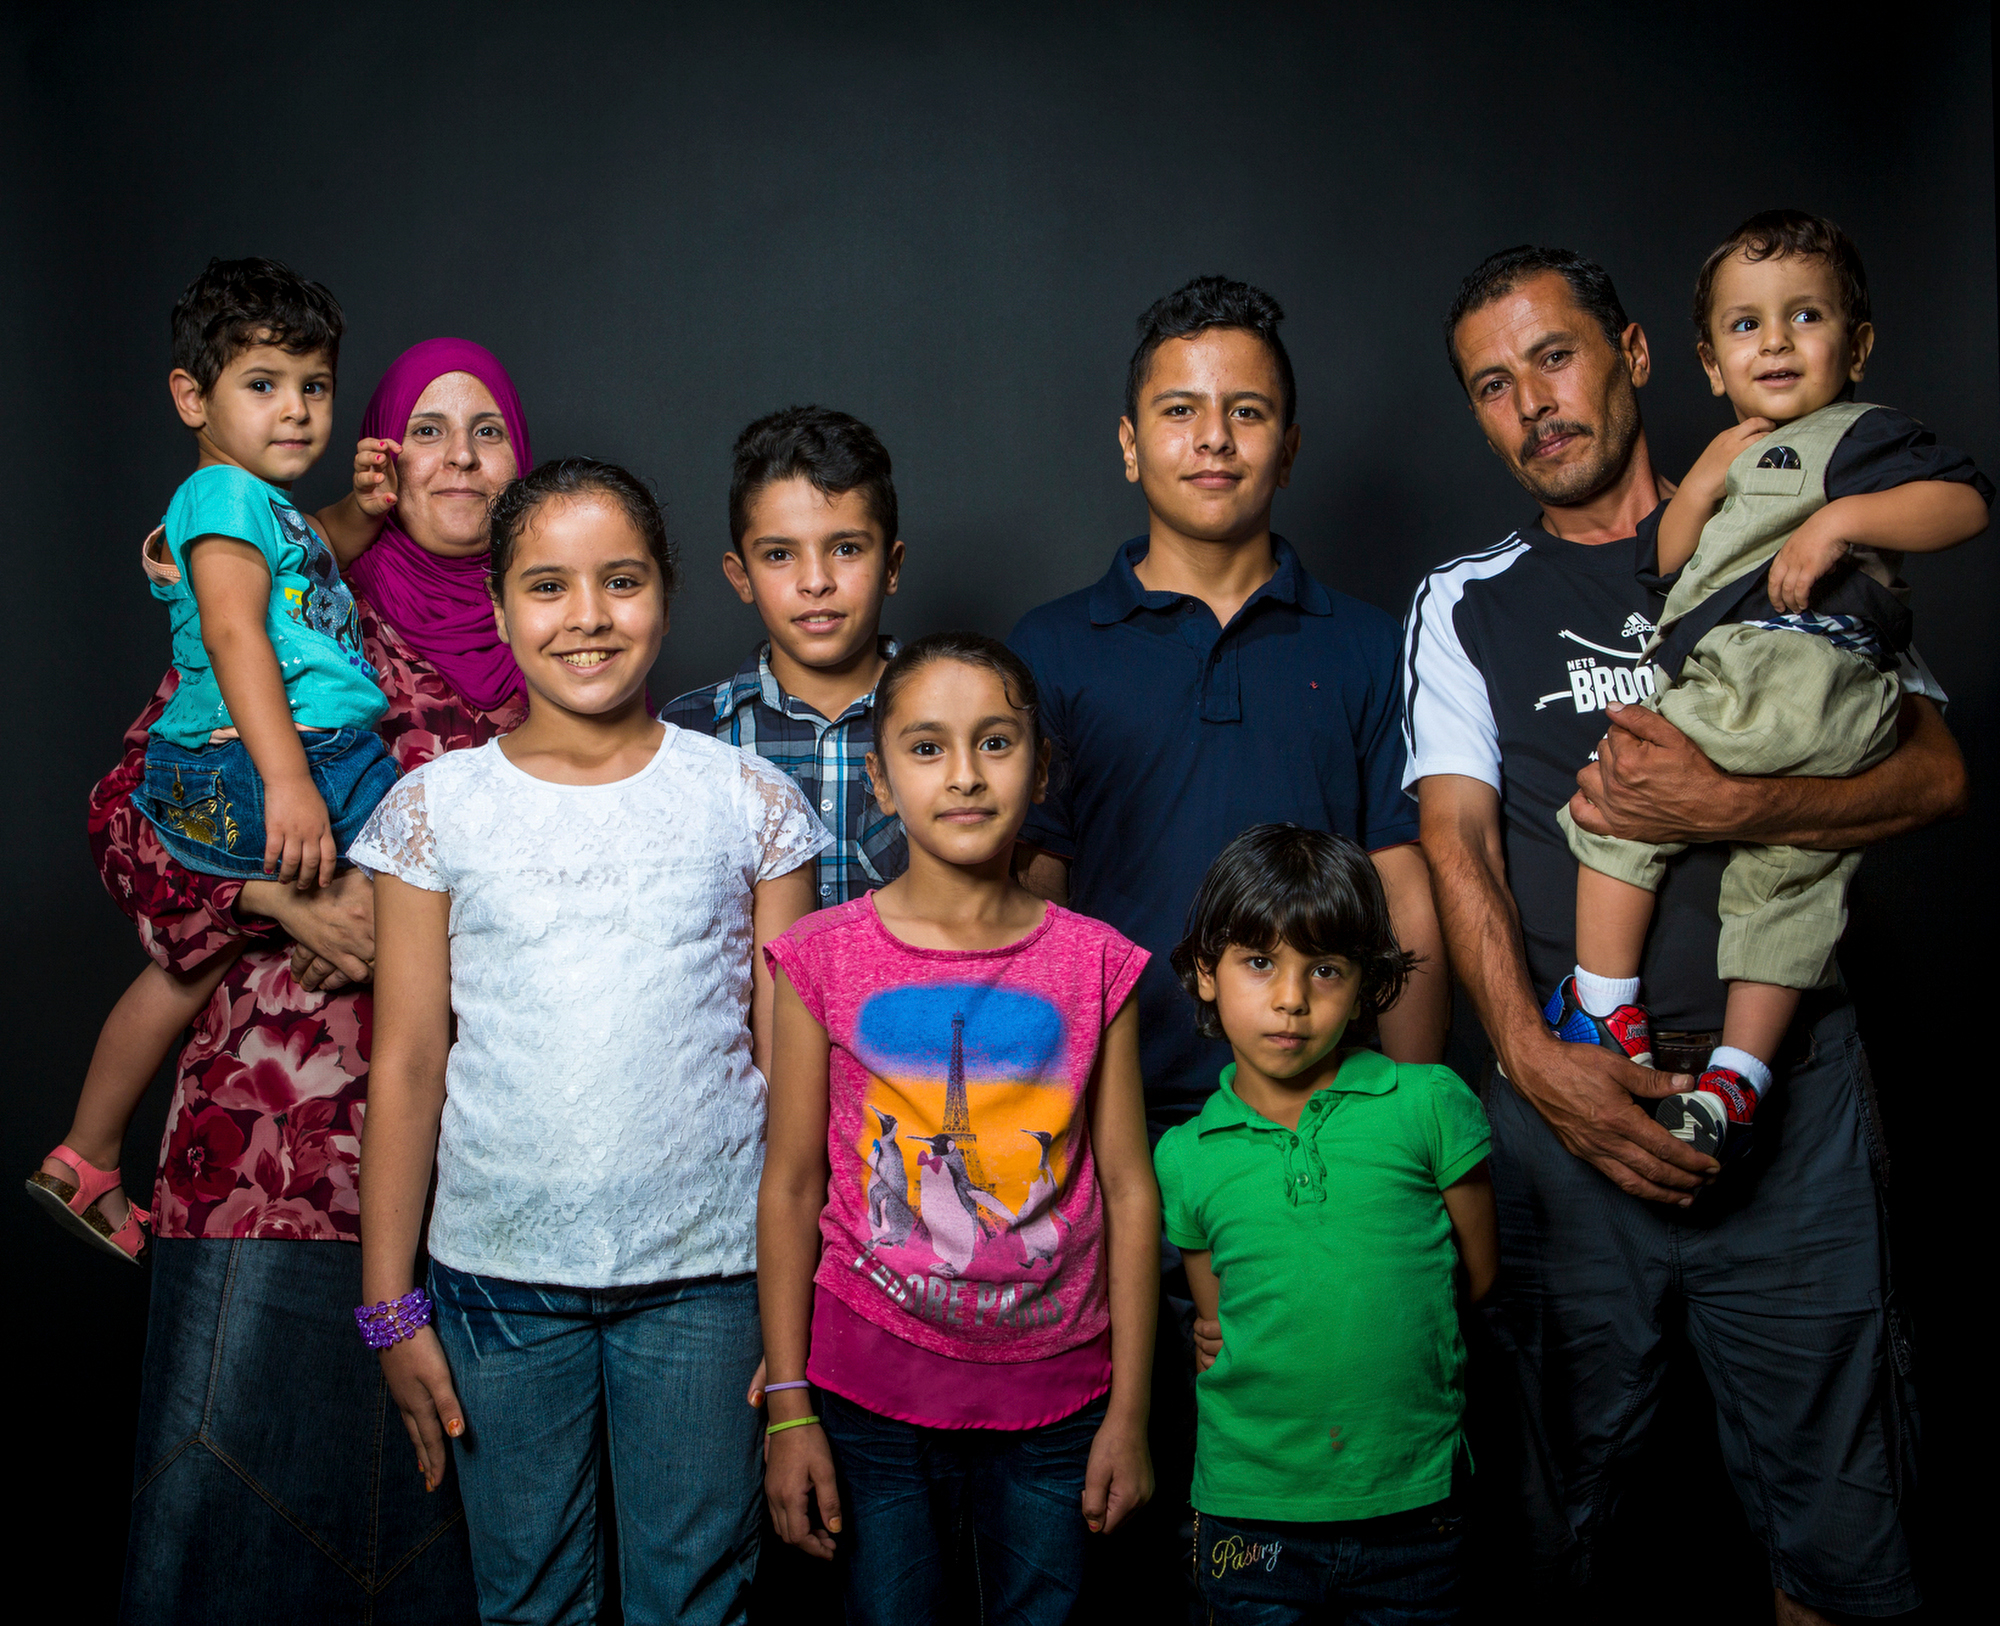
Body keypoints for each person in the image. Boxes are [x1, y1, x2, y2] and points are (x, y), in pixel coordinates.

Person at [1406, 243, 1968, 1621]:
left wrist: (1732, 796)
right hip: (1570, 1102)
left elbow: (1937, 772)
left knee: (1841, 1534)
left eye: (1555, 356)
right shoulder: (1466, 599)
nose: (1534, 401)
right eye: (1494, 383)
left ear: (1643, 356)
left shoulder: (1810, 514)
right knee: (1541, 1532)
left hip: (1791, 1099)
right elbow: (1457, 845)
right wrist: (1540, 1066)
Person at [1007, 273, 1445, 1610]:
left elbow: (1404, 887)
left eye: (1245, 412)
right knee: (1133, 1510)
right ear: (1129, 441)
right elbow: (1026, 903)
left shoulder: (1370, 647)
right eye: (1180, 412)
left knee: (1315, 1508)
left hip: (1318, 1136)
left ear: (1287, 443)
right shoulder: (1056, 649)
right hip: (1114, 1140)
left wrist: (1409, 1123)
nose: (1213, 438)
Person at [97, 334, 536, 1622]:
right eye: (430, 431)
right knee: (230, 1529)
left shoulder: (571, 645)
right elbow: (130, 817)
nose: (460, 459)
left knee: (448, 1543)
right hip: (265, 1155)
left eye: (490, 432)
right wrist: (279, 894)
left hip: (484, 1168)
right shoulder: (299, 613)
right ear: (382, 456)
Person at [355, 458, 827, 1626]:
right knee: (528, 1601)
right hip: (497, 1285)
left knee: (695, 1601)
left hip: (707, 1279)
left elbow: (789, 1076)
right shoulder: (437, 807)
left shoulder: (748, 800)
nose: (586, 618)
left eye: (619, 582)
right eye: (548, 586)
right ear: (501, 607)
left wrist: (792, 1342)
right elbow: (409, 1063)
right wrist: (388, 1308)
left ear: (663, 593)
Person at [1554, 212, 1989, 1154]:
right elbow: (1666, 563)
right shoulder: (1731, 452)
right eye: (1746, 325)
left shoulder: (1859, 436)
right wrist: (1706, 481)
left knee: (1622, 791)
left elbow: (1966, 501)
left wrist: (1841, 524)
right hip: (1818, 708)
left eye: (1806, 317)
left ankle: (1599, 1002)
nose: (1778, 341)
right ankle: (1738, 1081)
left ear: (1857, 346)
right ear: (1711, 363)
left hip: (1788, 667)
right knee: (1789, 879)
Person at [757, 632, 1159, 1626]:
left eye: (995, 743)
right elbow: (791, 1184)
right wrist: (787, 1404)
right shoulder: (820, 957)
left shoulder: (1095, 963)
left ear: (1039, 768)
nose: (965, 775)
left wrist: (1131, 1412)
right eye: (927, 748)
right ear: (883, 782)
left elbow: (1127, 1188)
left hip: (1059, 1399)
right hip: (867, 1394)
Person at [28, 257, 400, 1263]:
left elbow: (298, 557)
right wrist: (286, 781)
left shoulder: (253, 509)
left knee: (187, 960)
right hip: (273, 760)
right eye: (264, 383)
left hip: (252, 761)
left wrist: (359, 517)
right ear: (193, 396)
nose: (297, 411)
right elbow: (239, 637)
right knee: (427, 851)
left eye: (314, 387)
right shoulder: (219, 497)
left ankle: (87, 1154)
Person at [1156, 824, 1496, 1624]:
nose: (1291, 1000)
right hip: (1248, 1519)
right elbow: (1217, 1324)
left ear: (1369, 983)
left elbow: (1477, 1278)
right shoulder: (1185, 1155)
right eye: (1259, 962)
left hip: (1413, 1507)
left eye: (1327, 970)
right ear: (1207, 972)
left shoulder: (1429, 1105)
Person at [664, 404, 907, 908]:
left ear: (891, 566)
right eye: (779, 554)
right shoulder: (686, 735)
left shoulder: (948, 720)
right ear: (741, 577)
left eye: (846, 549)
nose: (815, 581)